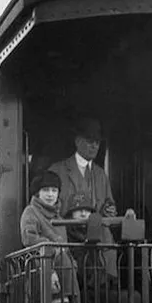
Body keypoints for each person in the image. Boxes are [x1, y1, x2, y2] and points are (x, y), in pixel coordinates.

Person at [19, 171, 88, 303]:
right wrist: (52, 258)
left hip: (63, 272)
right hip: (43, 272)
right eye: (46, 190)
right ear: (38, 192)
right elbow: (29, 239)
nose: (50, 194)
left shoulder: (58, 216)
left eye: (54, 190)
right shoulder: (30, 212)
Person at [65, 194, 142, 303]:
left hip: (101, 285)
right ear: (71, 216)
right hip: (78, 287)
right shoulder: (66, 233)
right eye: (79, 211)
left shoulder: (102, 230)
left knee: (133, 299)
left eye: (87, 210)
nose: (84, 214)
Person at [49, 117, 119, 275]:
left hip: (98, 244)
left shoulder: (101, 174)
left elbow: (109, 203)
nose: (95, 145)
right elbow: (48, 209)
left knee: (104, 288)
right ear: (77, 141)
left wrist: (110, 210)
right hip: (67, 240)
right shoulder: (57, 170)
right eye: (90, 140)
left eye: (97, 142)